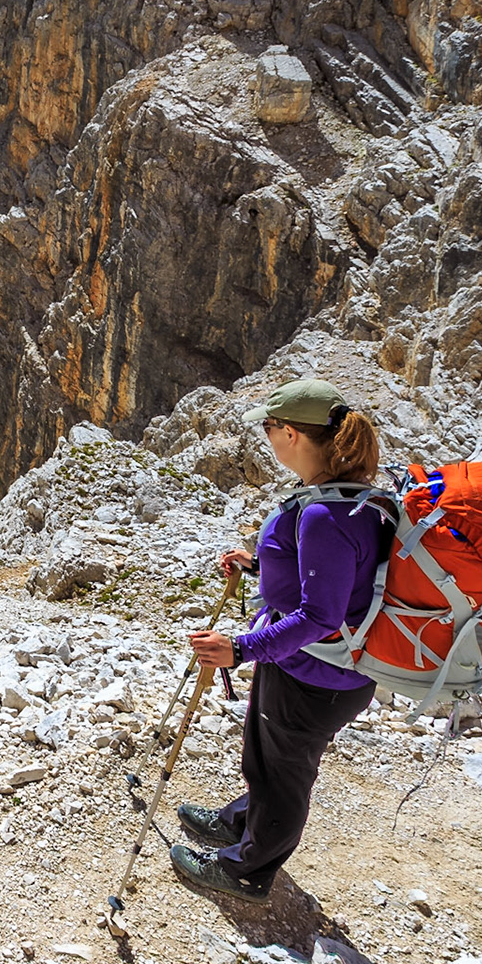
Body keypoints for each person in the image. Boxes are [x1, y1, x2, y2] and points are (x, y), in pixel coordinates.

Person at [174, 379, 386, 904]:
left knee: (285, 772)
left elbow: (320, 614)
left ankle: (248, 868)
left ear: (290, 432)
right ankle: (240, 822)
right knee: (267, 759)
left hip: (314, 674)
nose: (267, 438)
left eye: (270, 428)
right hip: (315, 668)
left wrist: (241, 648)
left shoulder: (324, 513)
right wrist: (256, 565)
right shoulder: (351, 500)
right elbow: (334, 580)